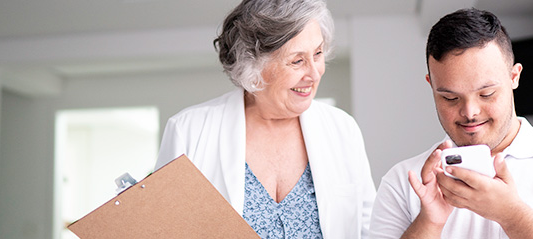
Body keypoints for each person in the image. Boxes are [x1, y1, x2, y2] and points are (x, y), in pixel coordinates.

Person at [369, 8, 533, 239]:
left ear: (514, 77)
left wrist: (512, 215)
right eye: (450, 97)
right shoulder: (404, 183)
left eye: (486, 94)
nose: (470, 112)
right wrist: (430, 222)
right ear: (431, 86)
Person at [154, 0, 375, 238]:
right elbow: (162, 230)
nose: (314, 72)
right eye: (297, 61)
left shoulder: (342, 129)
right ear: (252, 65)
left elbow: (369, 229)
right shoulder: (189, 131)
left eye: (318, 53)